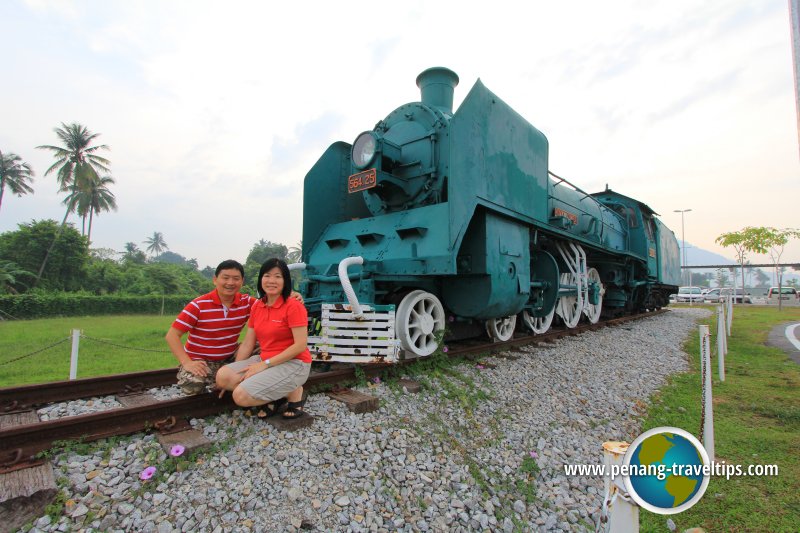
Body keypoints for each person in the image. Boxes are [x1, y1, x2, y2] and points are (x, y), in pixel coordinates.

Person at [165, 259, 302, 395]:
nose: (230, 283)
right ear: (215, 280)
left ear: (242, 281)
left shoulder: (248, 303)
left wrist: (292, 295)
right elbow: (172, 336)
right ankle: (224, 381)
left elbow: (271, 301)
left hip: (231, 356)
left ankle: (279, 380)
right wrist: (187, 362)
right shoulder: (198, 305)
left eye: (236, 279)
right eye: (225, 278)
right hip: (202, 360)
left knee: (265, 347)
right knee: (192, 387)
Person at [216, 258, 311, 418]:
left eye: (278, 276)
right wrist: (236, 369)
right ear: (261, 279)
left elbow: (300, 345)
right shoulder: (258, 305)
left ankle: (294, 393)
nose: (271, 281)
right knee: (223, 377)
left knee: (241, 396)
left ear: (285, 281)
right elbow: (248, 343)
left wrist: (264, 365)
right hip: (266, 359)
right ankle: (277, 394)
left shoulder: (294, 306)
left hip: (295, 363)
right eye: (267, 275)